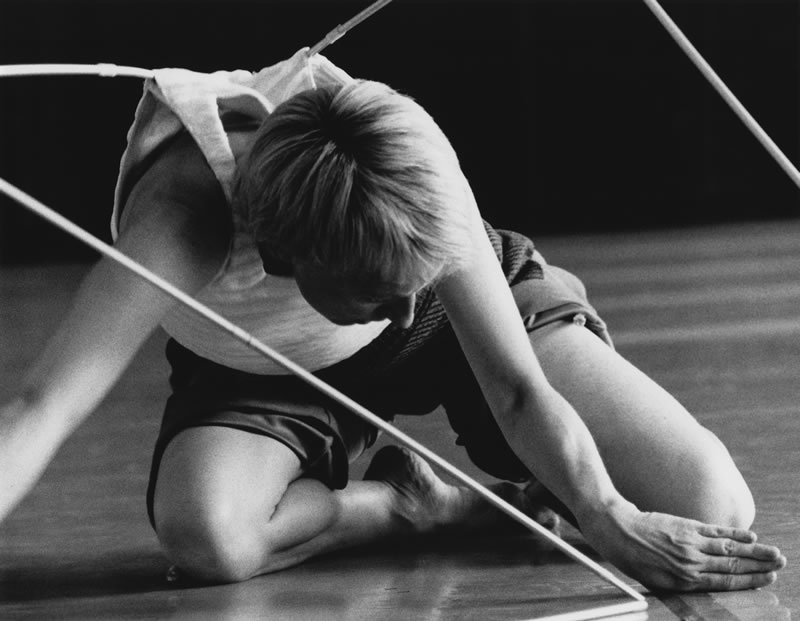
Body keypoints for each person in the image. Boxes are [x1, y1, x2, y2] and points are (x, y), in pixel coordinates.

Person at [0, 49, 786, 592]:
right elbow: (42, 407)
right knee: (207, 535)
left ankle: (514, 478)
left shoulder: (409, 164)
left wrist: (608, 515)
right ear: (286, 253)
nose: (404, 310)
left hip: (461, 324)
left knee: (711, 502)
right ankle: (408, 507)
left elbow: (516, 389)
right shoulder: (184, 218)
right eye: (379, 293)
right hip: (267, 366)